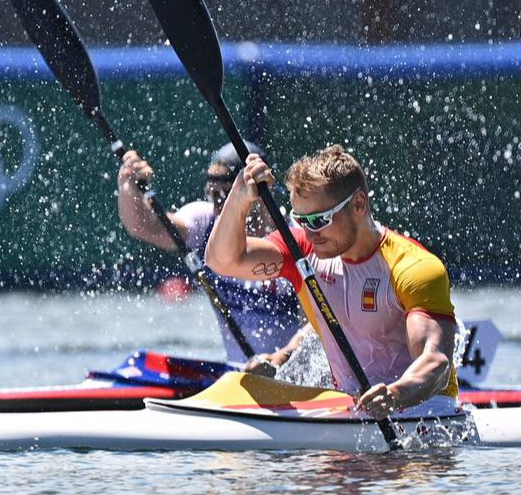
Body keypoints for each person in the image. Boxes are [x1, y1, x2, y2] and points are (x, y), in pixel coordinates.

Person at [204, 144, 459, 419]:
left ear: (358, 205)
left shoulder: (413, 267)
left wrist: (395, 395)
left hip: (427, 416)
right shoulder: (301, 249)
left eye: (320, 220)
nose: (310, 232)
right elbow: (222, 261)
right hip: (352, 412)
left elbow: (437, 363)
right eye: (301, 220)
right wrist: (239, 197)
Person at [117, 141, 304, 362]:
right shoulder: (206, 223)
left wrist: (281, 358)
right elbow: (144, 226)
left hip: (294, 372)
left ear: (260, 190)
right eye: (210, 192)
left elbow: (317, 326)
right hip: (241, 372)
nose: (215, 203)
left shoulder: (296, 239)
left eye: (223, 193)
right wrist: (129, 185)